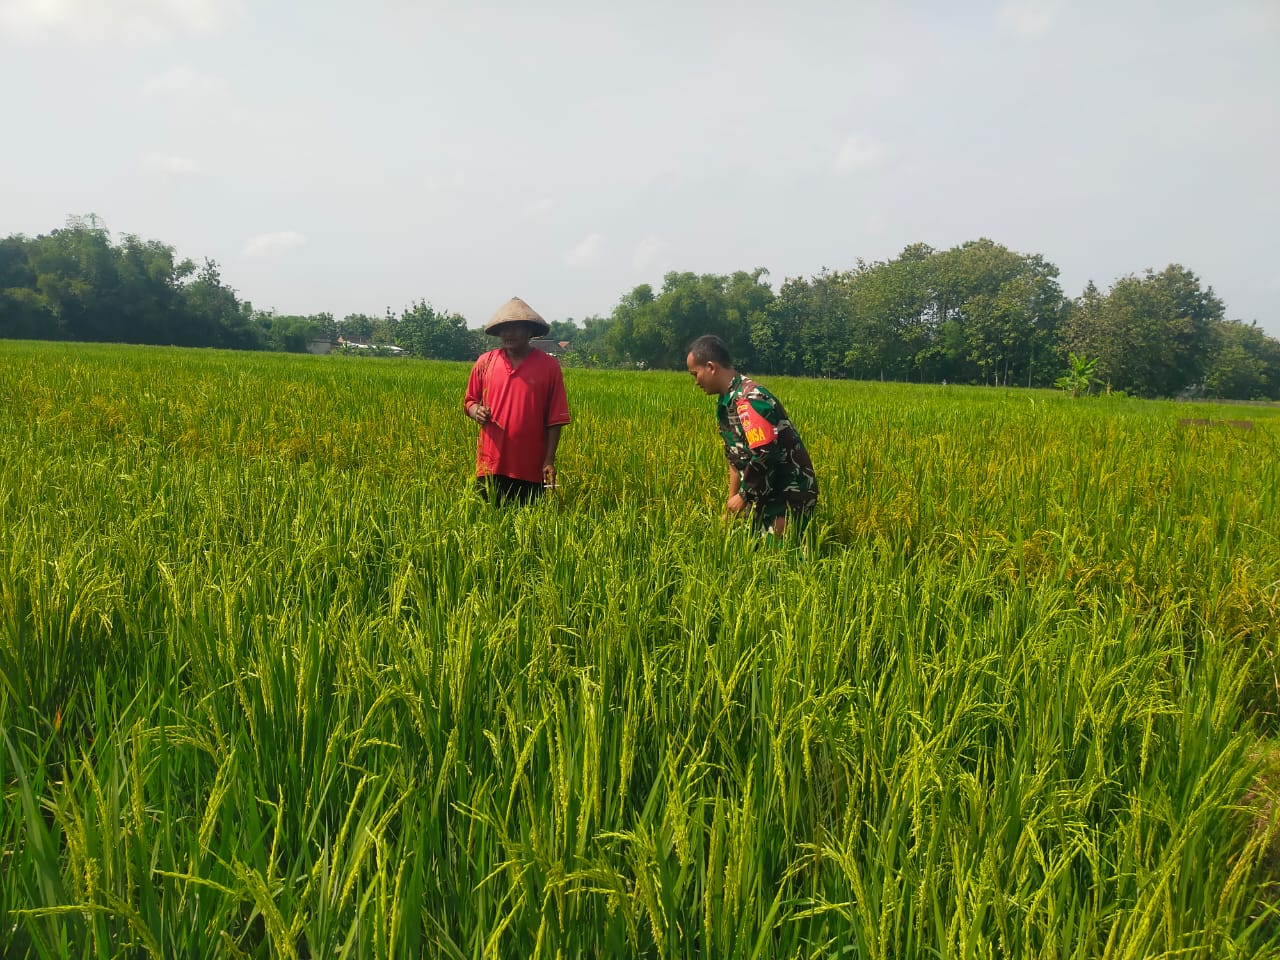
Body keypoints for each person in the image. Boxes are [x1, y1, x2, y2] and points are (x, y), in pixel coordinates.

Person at [686, 334, 818, 537]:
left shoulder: (749, 399)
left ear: (711, 367)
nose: (695, 382)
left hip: (786, 494)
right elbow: (735, 459)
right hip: (761, 492)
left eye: (695, 374)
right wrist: (731, 507)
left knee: (785, 560)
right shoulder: (726, 402)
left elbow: (766, 452)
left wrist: (743, 495)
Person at [464, 297, 570, 503]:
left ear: (530, 331)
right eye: (504, 328)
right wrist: (476, 411)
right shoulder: (485, 362)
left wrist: (549, 460)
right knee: (489, 524)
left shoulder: (549, 367)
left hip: (530, 468)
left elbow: (555, 419)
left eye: (515, 328)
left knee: (528, 526)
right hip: (490, 464)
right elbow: (469, 401)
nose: (508, 334)